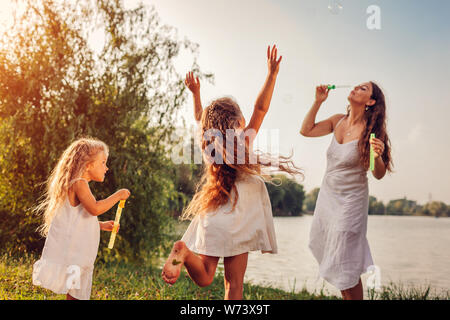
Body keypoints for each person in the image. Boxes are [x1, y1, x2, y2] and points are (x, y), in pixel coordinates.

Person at [161, 45, 302, 300]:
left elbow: (197, 117)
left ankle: (185, 253)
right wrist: (272, 75)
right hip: (238, 222)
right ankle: (186, 254)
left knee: (204, 275)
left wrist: (196, 93)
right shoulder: (242, 145)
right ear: (237, 123)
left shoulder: (208, 147)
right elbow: (261, 109)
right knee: (234, 286)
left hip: (213, 218)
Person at [300, 82, 393, 300]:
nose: (356, 88)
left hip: (351, 202)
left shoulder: (372, 132)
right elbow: (306, 130)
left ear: (371, 102)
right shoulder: (337, 120)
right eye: (357, 86)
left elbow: (378, 173)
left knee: (345, 259)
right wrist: (317, 102)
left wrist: (377, 156)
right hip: (328, 198)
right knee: (335, 256)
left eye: (363, 89)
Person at [32, 137, 130, 300]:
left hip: (81, 254)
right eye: (103, 162)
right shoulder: (79, 183)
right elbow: (95, 208)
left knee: (77, 294)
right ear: (88, 164)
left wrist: (101, 225)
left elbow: (76, 221)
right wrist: (118, 195)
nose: (106, 168)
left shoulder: (78, 184)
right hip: (76, 255)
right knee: (77, 295)